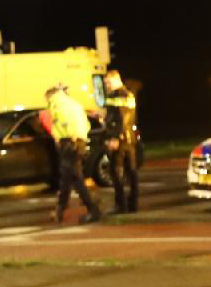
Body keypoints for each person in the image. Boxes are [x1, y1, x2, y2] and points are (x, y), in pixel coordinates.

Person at [42, 81, 99, 223]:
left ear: (51, 96)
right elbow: (86, 124)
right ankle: (59, 211)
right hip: (78, 141)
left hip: (69, 143)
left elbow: (63, 122)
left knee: (75, 179)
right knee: (67, 179)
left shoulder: (57, 104)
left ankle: (93, 210)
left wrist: (68, 137)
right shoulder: (73, 103)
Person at [101, 69, 139, 213]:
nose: (107, 86)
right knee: (131, 172)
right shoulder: (128, 94)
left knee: (115, 172)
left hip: (121, 139)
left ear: (116, 80)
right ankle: (133, 204)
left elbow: (121, 119)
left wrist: (114, 137)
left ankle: (121, 205)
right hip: (129, 138)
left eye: (108, 83)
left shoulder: (119, 95)